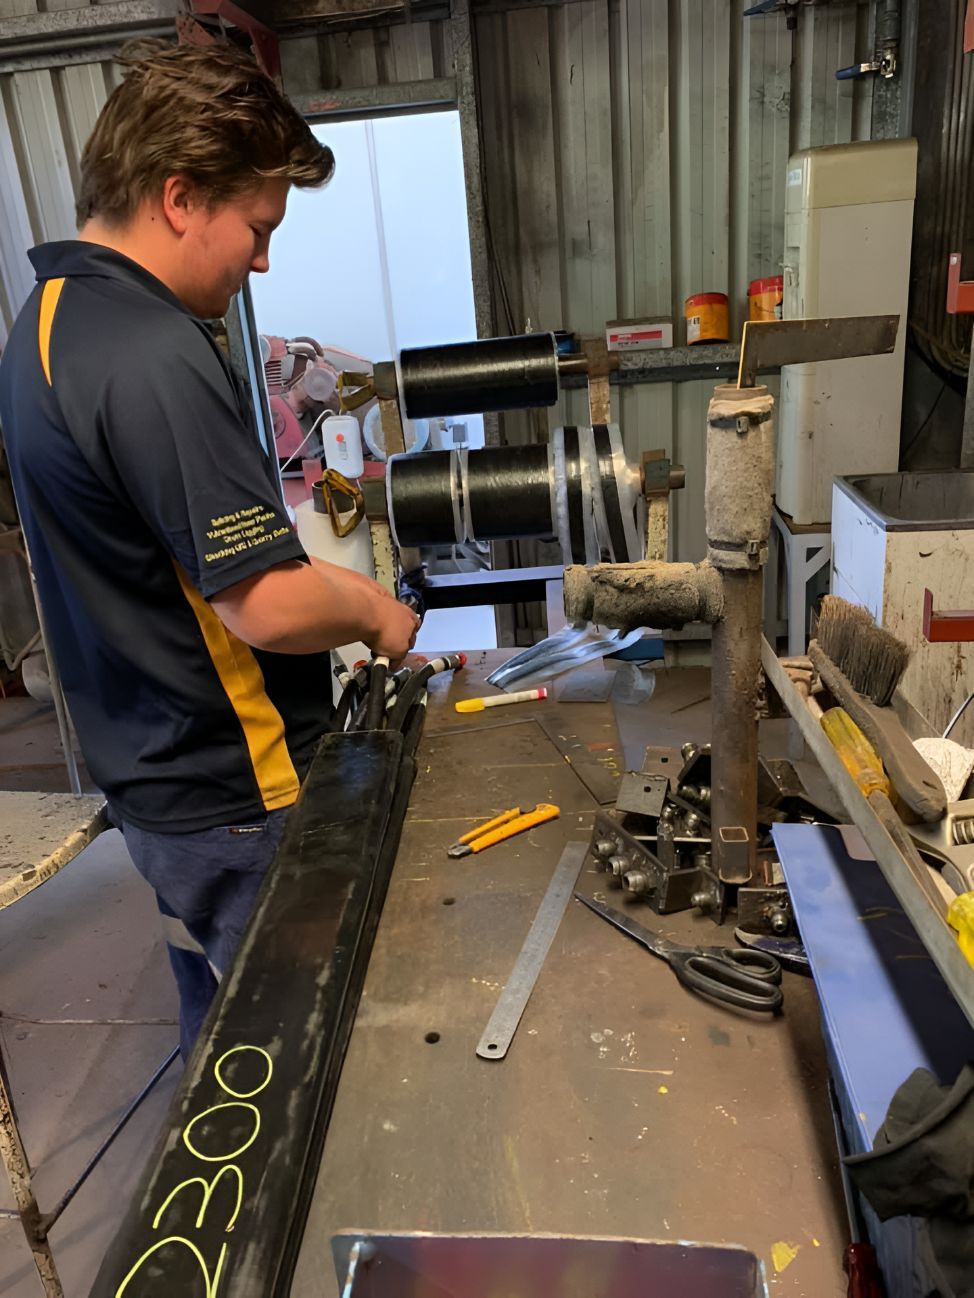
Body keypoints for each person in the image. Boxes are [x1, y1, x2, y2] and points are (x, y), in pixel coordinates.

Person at [0, 41, 419, 1058]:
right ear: (180, 196)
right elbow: (262, 604)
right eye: (257, 227)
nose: (262, 261)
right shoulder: (153, 354)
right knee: (303, 1045)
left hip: (152, 776)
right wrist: (371, 609)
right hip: (235, 787)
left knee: (222, 1012)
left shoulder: (48, 318)